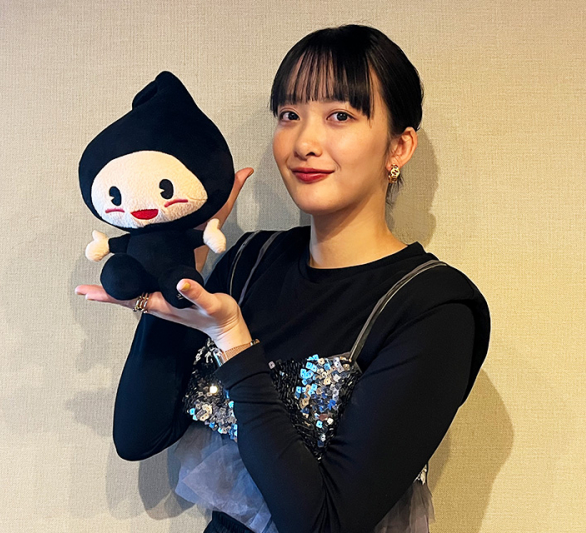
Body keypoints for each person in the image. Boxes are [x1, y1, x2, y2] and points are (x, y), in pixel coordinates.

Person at [76, 24, 490, 533]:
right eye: (290, 115)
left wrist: (233, 341)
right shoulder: (252, 260)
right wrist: (180, 260)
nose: (304, 142)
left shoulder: (434, 308)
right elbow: (139, 436)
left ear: (399, 147)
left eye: (340, 115)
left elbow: (323, 524)